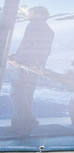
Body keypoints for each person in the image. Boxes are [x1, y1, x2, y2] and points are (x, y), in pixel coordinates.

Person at [8, 7, 54, 137]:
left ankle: (24, 124)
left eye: (30, 12)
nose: (28, 14)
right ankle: (22, 126)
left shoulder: (34, 25)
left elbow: (27, 46)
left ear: (38, 14)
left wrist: (17, 60)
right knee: (26, 96)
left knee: (17, 94)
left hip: (25, 67)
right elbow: (43, 51)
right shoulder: (49, 30)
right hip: (35, 68)